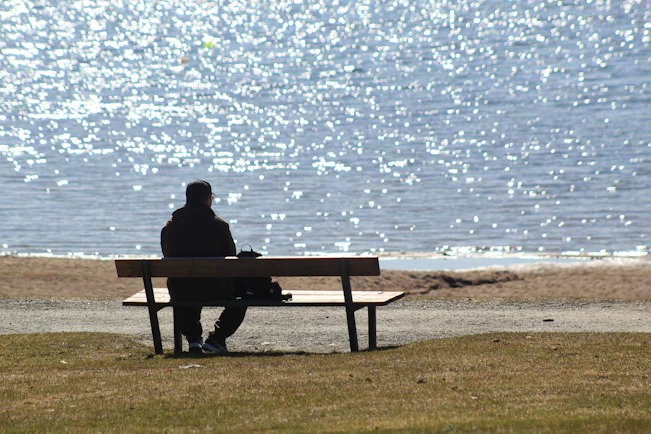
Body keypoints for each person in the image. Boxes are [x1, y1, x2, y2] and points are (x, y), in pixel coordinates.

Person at [161, 180, 246, 354]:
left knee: (186, 285)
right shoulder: (219, 225)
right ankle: (217, 339)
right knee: (243, 295)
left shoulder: (170, 226)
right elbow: (231, 258)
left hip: (180, 290)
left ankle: (193, 339)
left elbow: (168, 254)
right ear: (207, 199)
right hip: (215, 289)